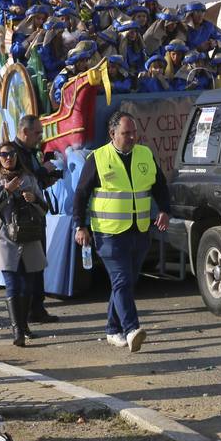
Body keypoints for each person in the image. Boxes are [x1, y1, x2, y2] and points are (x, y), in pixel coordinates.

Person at [72, 111, 172, 352]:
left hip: (139, 230)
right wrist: (80, 225)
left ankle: (111, 329)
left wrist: (164, 210)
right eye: (126, 133)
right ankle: (131, 329)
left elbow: (159, 185)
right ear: (112, 134)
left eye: (134, 132)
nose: (132, 137)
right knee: (122, 281)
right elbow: (81, 194)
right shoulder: (98, 158)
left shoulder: (145, 154)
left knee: (125, 284)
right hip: (109, 233)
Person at [0, 140, 49, 347]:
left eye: (12, 154)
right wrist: (7, 191)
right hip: (7, 241)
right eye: (4, 155)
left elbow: (44, 208)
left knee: (28, 286)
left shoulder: (29, 178)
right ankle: (17, 331)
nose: (8, 158)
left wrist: (34, 200)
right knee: (13, 285)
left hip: (29, 238)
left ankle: (25, 325)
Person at [14, 114, 61, 323]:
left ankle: (36, 307)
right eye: (37, 133)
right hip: (25, 216)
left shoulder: (29, 151)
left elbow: (35, 180)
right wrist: (44, 170)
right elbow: (23, 177)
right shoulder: (14, 153)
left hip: (36, 212)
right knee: (30, 264)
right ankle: (29, 310)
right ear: (24, 132)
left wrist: (47, 178)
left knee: (38, 261)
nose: (40, 137)